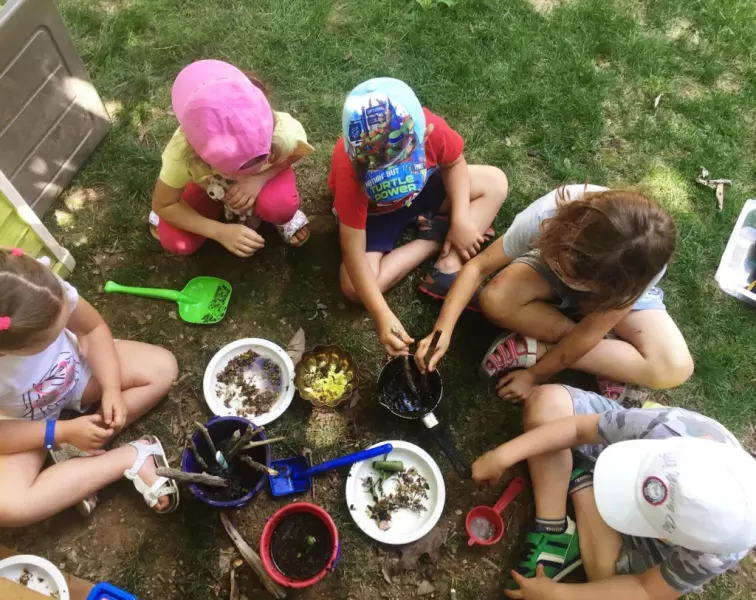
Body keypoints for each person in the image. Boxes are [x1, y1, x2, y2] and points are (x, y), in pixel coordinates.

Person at [472, 383, 756, 599]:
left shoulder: (719, 548)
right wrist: (503, 455)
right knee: (548, 404)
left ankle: (581, 479)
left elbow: (646, 590)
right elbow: (577, 428)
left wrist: (559, 595)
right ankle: (553, 525)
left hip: (652, 542)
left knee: (607, 580)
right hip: (635, 451)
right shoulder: (671, 432)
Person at [416, 185, 693, 401]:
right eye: (563, 267)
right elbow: (478, 267)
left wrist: (534, 375)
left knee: (675, 367)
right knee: (495, 299)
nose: (569, 281)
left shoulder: (642, 264)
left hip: (611, 295)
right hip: (555, 270)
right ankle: (610, 359)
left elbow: (590, 331)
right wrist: (442, 331)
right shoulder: (546, 216)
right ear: (565, 234)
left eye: (582, 282)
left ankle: (539, 349)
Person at [0, 248, 180, 525]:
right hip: (23, 420)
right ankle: (131, 457)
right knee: (8, 505)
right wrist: (59, 432)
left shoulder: (40, 290)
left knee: (162, 368)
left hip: (78, 375)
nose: (62, 334)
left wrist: (111, 388)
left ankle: (78, 457)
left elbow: (91, 329)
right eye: (48, 342)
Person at [330, 77, 508, 355]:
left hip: (423, 189)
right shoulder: (348, 168)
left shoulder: (431, 128)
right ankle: (433, 240)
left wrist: (461, 218)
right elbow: (352, 251)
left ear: (424, 136)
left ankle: (447, 265)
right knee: (354, 287)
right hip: (376, 217)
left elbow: (454, 164)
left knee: (495, 182)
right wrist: (382, 314)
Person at [150, 59, 313, 257]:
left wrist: (260, 178)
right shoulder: (182, 152)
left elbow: (297, 151)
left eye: (262, 158)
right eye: (237, 170)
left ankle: (278, 215)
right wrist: (218, 231)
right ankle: (193, 197)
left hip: (261, 181)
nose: (249, 171)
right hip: (207, 185)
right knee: (176, 240)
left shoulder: (281, 131)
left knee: (280, 206)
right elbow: (164, 204)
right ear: (200, 155)